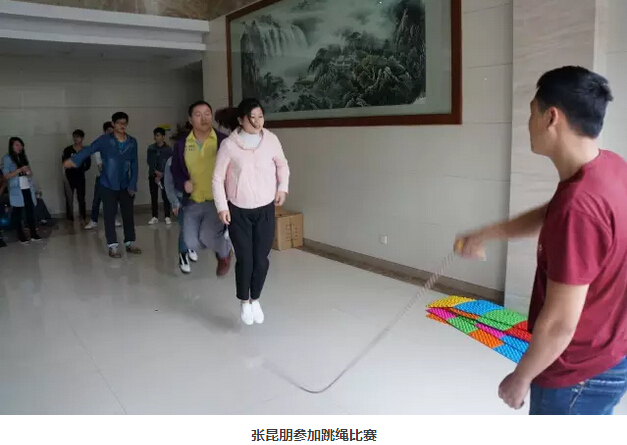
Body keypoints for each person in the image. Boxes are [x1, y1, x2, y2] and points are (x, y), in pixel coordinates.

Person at [456, 66, 627, 415]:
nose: (528, 123)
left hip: (575, 374)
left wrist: (521, 378)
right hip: (610, 353)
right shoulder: (609, 167)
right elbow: (552, 213)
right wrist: (488, 233)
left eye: (532, 112)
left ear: (551, 117)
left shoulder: (579, 206)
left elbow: (560, 324)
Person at [213, 98, 290, 326]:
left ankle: (255, 299)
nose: (257, 122)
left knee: (261, 260)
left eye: (260, 117)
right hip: (238, 210)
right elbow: (217, 178)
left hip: (265, 208)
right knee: (245, 259)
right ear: (241, 120)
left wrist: (282, 187)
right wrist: (222, 207)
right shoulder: (229, 145)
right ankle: (244, 301)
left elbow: (282, 164)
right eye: (252, 118)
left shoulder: (271, 140)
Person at [63, 112, 141, 258]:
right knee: (109, 216)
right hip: (107, 184)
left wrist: (132, 184)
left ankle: (130, 242)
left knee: (128, 215)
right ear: (113, 124)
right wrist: (75, 161)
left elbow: (135, 163)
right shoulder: (105, 140)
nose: (122, 126)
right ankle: (113, 246)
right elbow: (89, 149)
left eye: (125, 123)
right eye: (119, 123)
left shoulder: (132, 142)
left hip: (125, 184)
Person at [170, 100, 231, 276]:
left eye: (207, 114)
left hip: (216, 201)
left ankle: (224, 253)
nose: (204, 118)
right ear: (190, 119)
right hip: (193, 200)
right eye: (198, 115)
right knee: (190, 242)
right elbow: (175, 170)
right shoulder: (182, 144)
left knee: (206, 235)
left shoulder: (223, 141)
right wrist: (183, 183)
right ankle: (221, 246)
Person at [2, 137, 41, 244]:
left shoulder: (23, 157)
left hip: (27, 186)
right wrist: (19, 170)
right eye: (16, 145)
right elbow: (6, 175)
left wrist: (28, 172)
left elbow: (30, 173)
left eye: (20, 145)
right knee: (18, 212)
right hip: (16, 187)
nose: (19, 147)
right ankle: (20, 235)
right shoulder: (7, 158)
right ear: (11, 146)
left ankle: (33, 233)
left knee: (30, 210)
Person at [163, 155, 197, 273]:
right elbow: (168, 184)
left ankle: (190, 246)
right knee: (185, 228)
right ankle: (183, 255)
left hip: (196, 198)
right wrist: (174, 203)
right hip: (181, 198)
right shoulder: (171, 161)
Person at [85, 121, 121, 230]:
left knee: (113, 200)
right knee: (97, 199)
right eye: (109, 131)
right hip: (102, 177)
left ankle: (113, 218)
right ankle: (93, 220)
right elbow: (100, 164)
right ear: (105, 132)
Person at [62, 129, 91, 223]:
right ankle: (70, 217)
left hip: (80, 176)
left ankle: (83, 215)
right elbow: (65, 162)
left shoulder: (85, 150)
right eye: (74, 137)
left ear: (82, 138)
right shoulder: (68, 150)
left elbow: (88, 164)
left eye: (78, 137)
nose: (76, 139)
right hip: (69, 176)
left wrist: (81, 168)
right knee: (69, 197)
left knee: (81, 197)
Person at [147, 127, 173, 225]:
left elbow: (170, 162)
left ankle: (167, 216)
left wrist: (162, 173)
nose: (156, 137)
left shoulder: (168, 149)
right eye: (155, 135)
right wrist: (156, 172)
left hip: (165, 176)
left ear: (163, 137)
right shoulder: (151, 148)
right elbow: (149, 161)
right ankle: (154, 216)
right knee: (153, 196)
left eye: (158, 135)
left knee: (165, 196)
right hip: (153, 175)